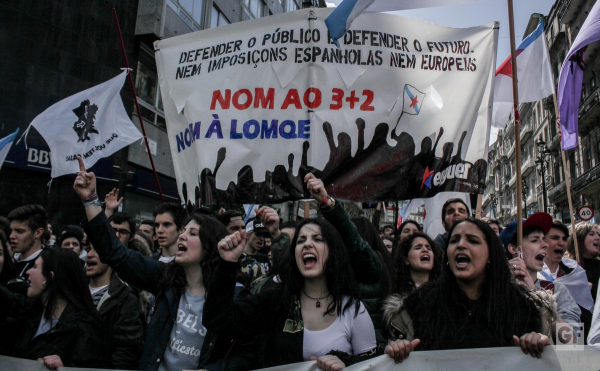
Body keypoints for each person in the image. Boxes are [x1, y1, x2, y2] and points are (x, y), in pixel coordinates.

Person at [73, 157, 253, 371]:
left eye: (193, 233)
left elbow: (249, 356)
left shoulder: (234, 295)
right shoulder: (164, 279)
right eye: (183, 231)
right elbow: (115, 253)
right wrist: (90, 200)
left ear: (210, 246)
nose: (182, 237)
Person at [205, 216, 377, 369]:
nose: (307, 244)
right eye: (301, 241)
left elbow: (372, 365)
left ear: (333, 252)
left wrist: (345, 364)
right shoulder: (276, 301)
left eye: (318, 239)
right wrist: (227, 265)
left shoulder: (353, 309)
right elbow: (219, 319)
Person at [385, 218, 554, 362]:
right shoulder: (418, 306)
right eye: (454, 240)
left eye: (472, 240)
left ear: (490, 255)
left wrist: (542, 344)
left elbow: (571, 352)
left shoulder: (526, 309)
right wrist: (398, 350)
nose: (461, 245)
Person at [0, 247, 110, 369]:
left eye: (35, 267)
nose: (28, 271)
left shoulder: (84, 329)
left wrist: (65, 368)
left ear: (49, 277)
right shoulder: (29, 311)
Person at [501, 214, 580, 326]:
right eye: (535, 240)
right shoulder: (494, 289)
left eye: (544, 239)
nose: (545, 245)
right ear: (513, 249)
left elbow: (575, 339)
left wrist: (536, 296)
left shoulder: (557, 291)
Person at [85, 244, 144, 369]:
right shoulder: (75, 292)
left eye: (97, 250)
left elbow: (127, 352)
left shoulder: (125, 299)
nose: (89, 255)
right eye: (88, 249)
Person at [382, 232, 442, 340]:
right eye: (418, 247)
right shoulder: (396, 307)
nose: (425, 250)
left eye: (429, 247)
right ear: (406, 260)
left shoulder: (447, 296)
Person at [541, 221, 594, 343]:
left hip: (576, 334)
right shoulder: (534, 273)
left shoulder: (575, 271)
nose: (561, 242)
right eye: (555, 238)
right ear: (542, 242)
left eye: (564, 239)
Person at [7, 205, 48, 293]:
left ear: (38, 233)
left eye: (19, 231)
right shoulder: (7, 260)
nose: (11, 236)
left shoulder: (48, 264)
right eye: (11, 231)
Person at [566, 222, 600, 303]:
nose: (598, 238)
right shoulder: (568, 267)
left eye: (598, 234)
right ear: (579, 238)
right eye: (591, 234)